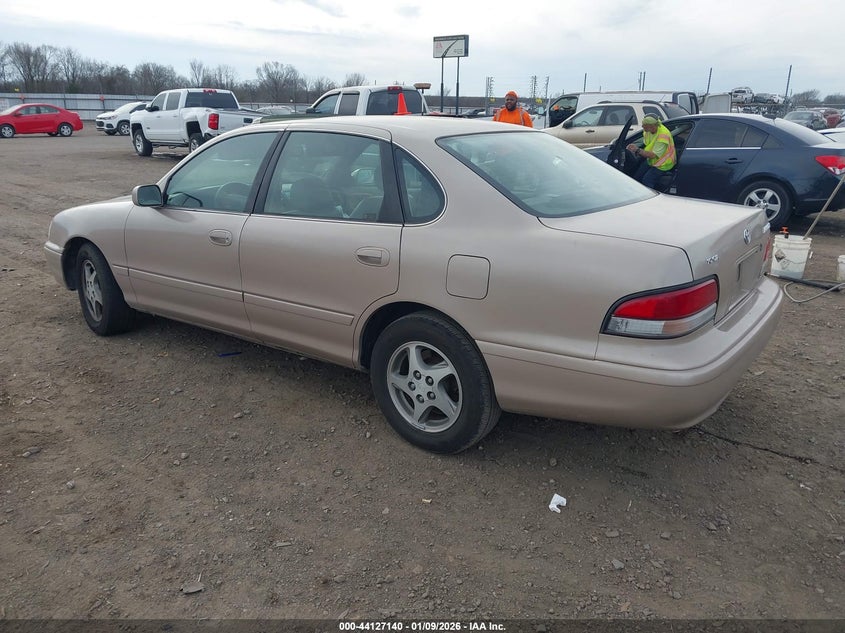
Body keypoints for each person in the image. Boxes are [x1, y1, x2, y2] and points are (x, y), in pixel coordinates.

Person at [627, 115, 676, 191]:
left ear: (652, 126)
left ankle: (651, 196)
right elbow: (648, 144)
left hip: (663, 164)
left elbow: (653, 155)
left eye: (644, 125)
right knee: (637, 178)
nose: (642, 127)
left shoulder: (663, 135)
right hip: (652, 161)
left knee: (647, 180)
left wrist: (637, 150)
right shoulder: (648, 130)